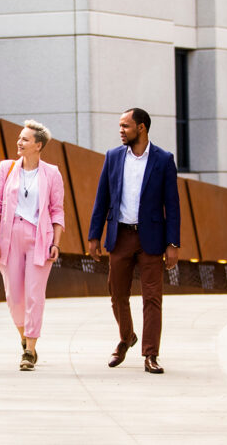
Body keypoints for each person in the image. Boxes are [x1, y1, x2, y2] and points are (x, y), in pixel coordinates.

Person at [88, 108, 180, 374]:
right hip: (120, 236)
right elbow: (102, 198)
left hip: (151, 238)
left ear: (141, 128)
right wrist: (94, 235)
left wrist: (172, 243)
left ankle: (150, 354)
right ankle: (127, 337)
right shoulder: (113, 157)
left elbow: (171, 205)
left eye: (125, 126)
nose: (121, 131)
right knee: (117, 294)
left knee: (152, 297)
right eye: (120, 126)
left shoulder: (163, 159)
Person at [0, 120, 65, 371]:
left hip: (39, 238)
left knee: (34, 294)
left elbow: (57, 210)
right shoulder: (6, 168)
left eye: (25, 140)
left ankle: (29, 350)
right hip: (9, 237)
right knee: (14, 296)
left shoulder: (52, 173)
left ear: (38, 145)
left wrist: (56, 242)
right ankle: (24, 337)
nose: (19, 142)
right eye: (19, 138)